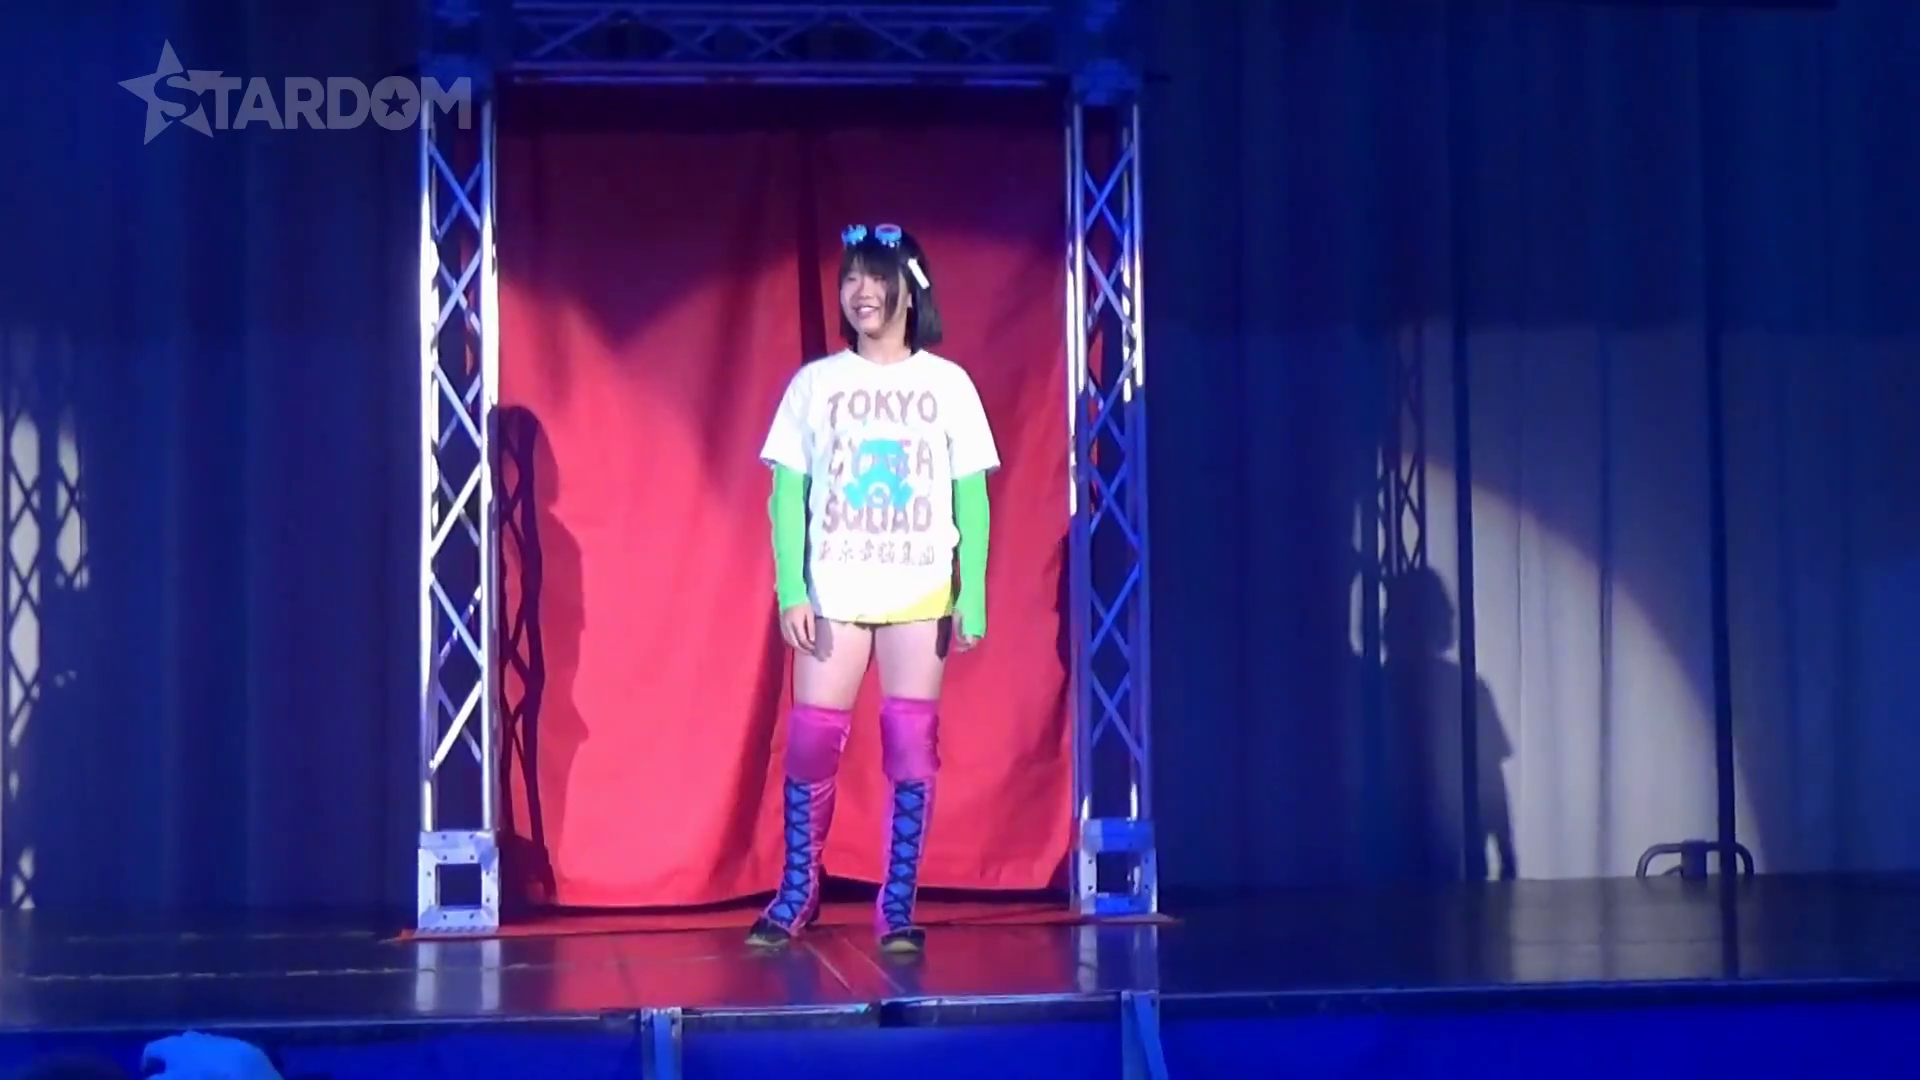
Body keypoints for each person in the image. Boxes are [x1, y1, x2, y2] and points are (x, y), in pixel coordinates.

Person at [748, 223, 999, 954]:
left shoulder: (947, 385)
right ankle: (798, 890)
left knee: (911, 748)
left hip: (919, 590)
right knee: (809, 744)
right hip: (834, 591)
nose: (861, 292)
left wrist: (972, 595)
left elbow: (971, 495)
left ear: (909, 291)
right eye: (851, 278)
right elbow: (787, 493)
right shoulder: (816, 385)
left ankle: (897, 904)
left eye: (877, 278)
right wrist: (791, 589)